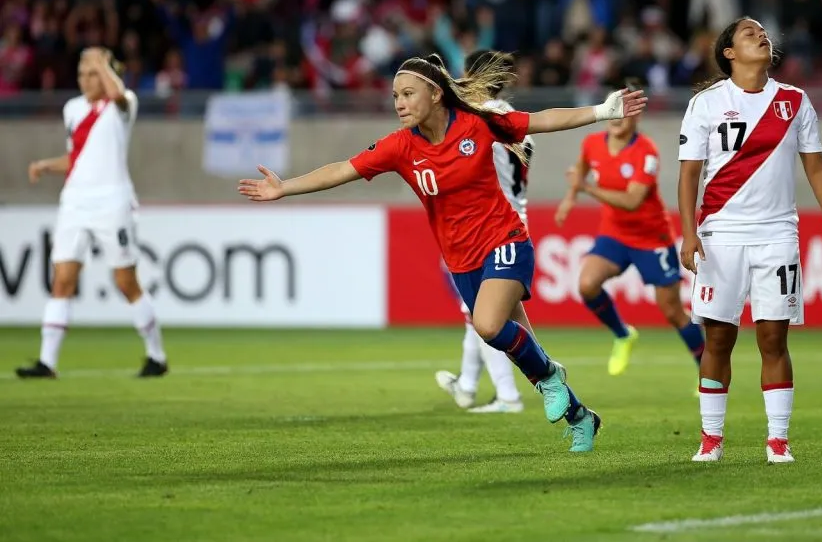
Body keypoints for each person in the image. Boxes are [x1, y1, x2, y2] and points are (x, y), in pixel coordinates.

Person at [239, 53, 647, 452]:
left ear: (435, 94)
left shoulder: (478, 123)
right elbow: (342, 169)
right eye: (396, 95)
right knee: (523, 349)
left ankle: (552, 377)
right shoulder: (400, 147)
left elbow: (539, 121)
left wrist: (601, 111)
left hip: (505, 239)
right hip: (462, 260)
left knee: (488, 327)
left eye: (408, 93)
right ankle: (581, 418)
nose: (399, 103)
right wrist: (284, 187)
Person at [677, 17, 822, 464]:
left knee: (773, 340)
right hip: (721, 235)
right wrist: (688, 233)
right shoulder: (706, 104)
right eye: (749, 33)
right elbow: (689, 171)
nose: (761, 35)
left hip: (777, 234)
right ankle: (711, 439)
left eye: (763, 31)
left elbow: (815, 165)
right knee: (718, 340)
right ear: (729, 53)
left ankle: (778, 441)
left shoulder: (794, 101)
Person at [16, 47, 169, 379]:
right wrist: (45, 164)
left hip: (112, 203)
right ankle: (47, 362)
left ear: (107, 73)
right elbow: (78, 157)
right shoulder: (73, 108)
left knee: (125, 281)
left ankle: (156, 355)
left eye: (93, 72)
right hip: (74, 202)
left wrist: (101, 61)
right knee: (62, 280)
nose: (86, 79)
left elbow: (118, 95)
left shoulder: (122, 105)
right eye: (82, 73)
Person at [555, 101, 705, 379]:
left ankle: (706, 372)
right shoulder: (591, 143)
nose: (618, 117)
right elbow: (579, 170)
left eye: (626, 112)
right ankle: (623, 335)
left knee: (673, 312)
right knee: (587, 284)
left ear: (636, 118)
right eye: (615, 110)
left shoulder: (646, 151)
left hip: (651, 238)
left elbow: (633, 200)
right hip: (615, 234)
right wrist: (569, 200)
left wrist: (587, 188)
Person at [434, 50, 533, 414]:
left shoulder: (480, 121)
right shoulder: (515, 121)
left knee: (482, 316)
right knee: (479, 312)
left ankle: (508, 395)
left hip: (490, 226)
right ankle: (468, 384)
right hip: (514, 218)